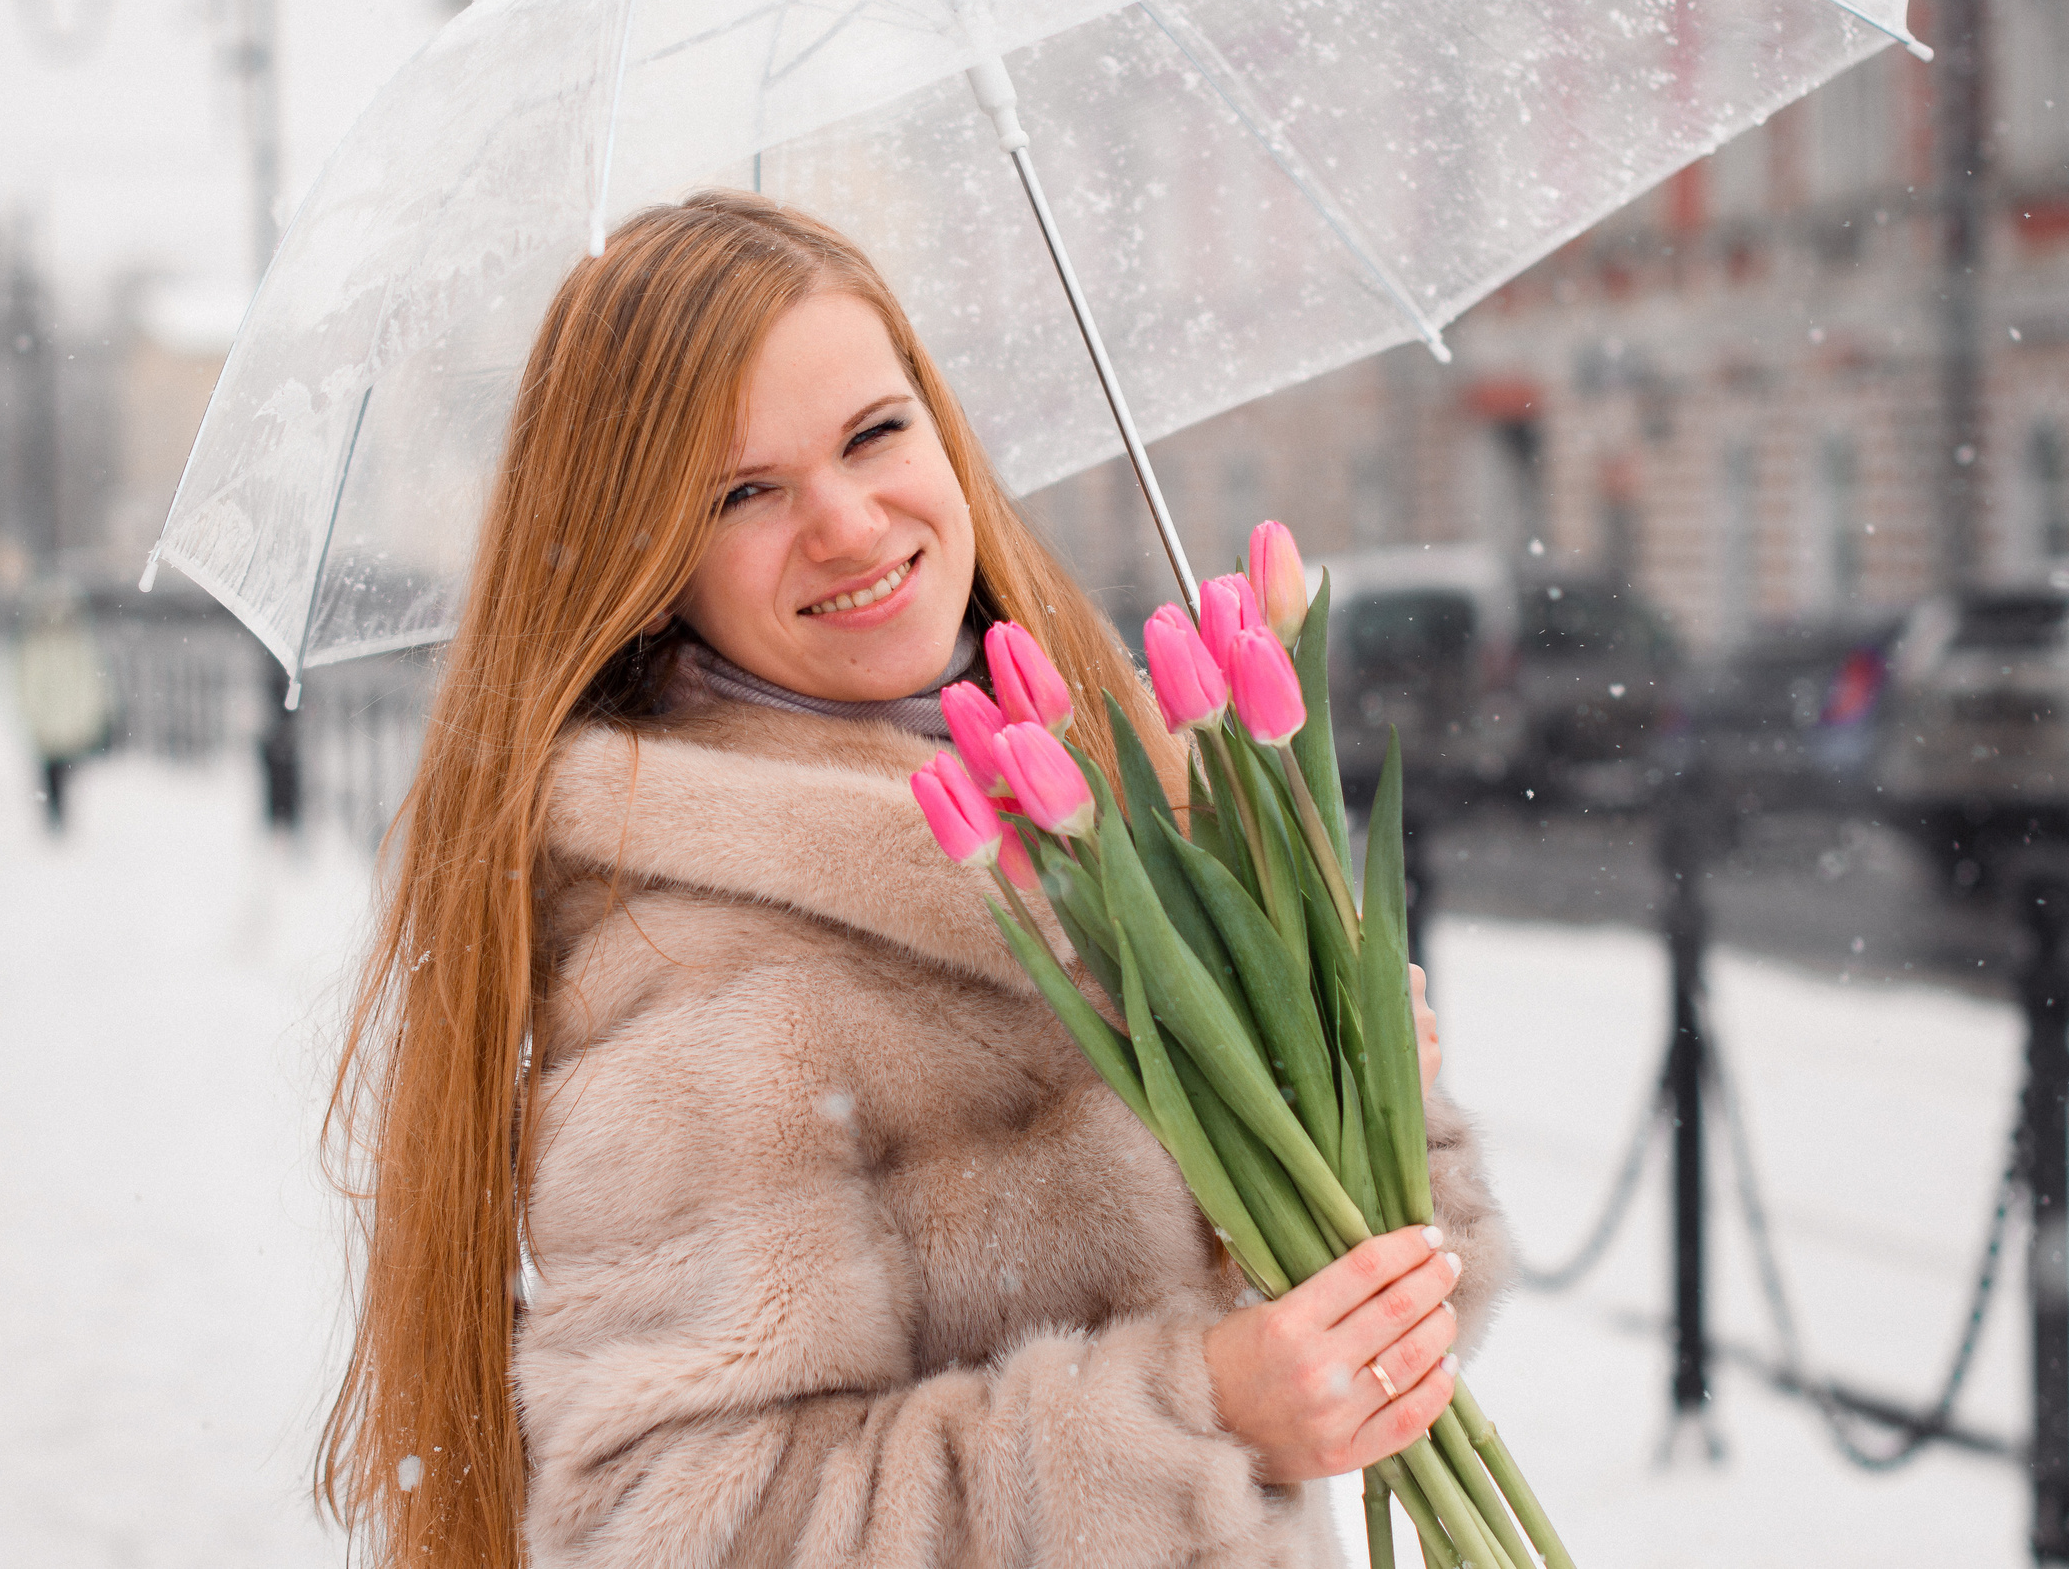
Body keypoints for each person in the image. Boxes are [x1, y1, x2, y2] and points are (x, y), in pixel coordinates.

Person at [318, 191, 1511, 1567]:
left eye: (875, 433)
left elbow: (1385, 1312)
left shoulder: (1116, 795)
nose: (846, 521)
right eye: (743, 492)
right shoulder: (701, 964)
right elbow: (675, 1523)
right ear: (652, 567)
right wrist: (1203, 1414)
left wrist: (1360, 1110)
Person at [11, 581, 110, 832]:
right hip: (55, 720)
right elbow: (28, 683)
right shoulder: (44, 642)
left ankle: (58, 815)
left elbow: (89, 681)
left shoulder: (67, 641)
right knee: (56, 770)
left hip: (62, 720)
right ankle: (56, 816)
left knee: (60, 770)